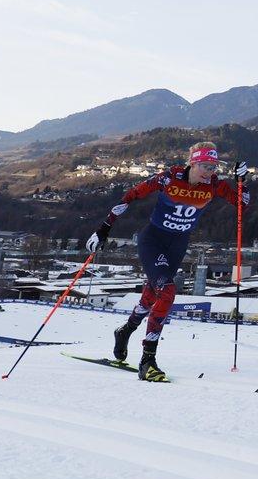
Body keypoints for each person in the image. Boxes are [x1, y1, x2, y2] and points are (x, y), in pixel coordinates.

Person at [86, 142, 249, 382]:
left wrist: (243, 182)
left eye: (213, 166)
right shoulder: (168, 179)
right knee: (168, 291)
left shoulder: (214, 185)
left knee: (153, 295)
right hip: (153, 240)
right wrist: (104, 228)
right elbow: (131, 195)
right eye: (204, 165)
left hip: (178, 245)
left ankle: (125, 330)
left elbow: (241, 205)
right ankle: (147, 360)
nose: (209, 171)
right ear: (192, 162)